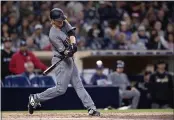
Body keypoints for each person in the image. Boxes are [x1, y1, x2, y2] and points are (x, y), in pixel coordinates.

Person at [28, 8, 100, 116]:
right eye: (58, 20)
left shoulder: (63, 22)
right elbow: (64, 52)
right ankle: (35, 98)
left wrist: (73, 44)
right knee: (61, 89)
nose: (61, 22)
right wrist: (70, 51)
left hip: (69, 60)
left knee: (78, 85)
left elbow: (71, 32)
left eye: (62, 20)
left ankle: (91, 108)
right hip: (61, 60)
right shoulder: (53, 34)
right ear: (52, 20)